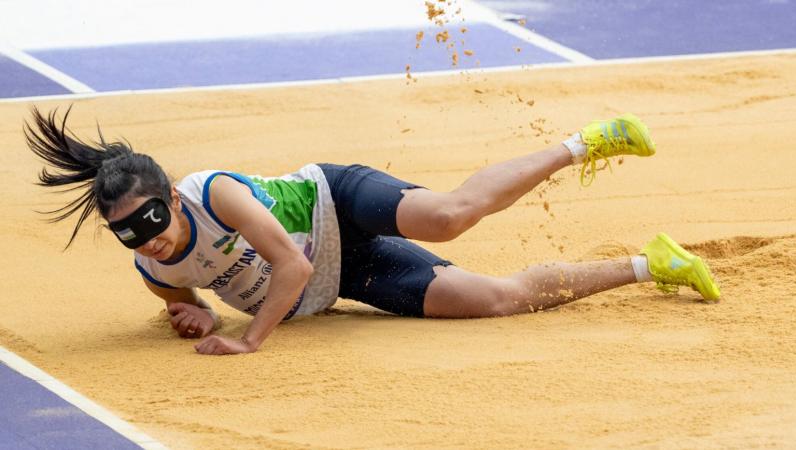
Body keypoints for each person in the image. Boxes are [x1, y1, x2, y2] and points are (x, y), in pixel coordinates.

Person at [24, 107, 720, 356]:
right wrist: (194, 316)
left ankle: (583, 143)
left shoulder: (217, 194)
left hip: (336, 204)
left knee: (448, 217)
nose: (145, 239)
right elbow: (187, 303)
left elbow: (288, 272)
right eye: (126, 235)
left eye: (149, 219)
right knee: (497, 300)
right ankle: (648, 264)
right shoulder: (156, 271)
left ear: (172, 197)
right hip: (346, 282)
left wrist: (247, 338)